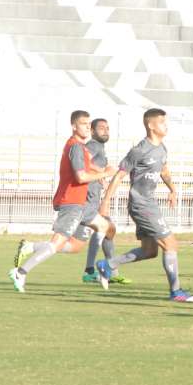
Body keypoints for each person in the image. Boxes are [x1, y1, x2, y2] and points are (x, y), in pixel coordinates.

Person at [96, 108, 193, 303]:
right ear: (151, 125)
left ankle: (107, 264)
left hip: (149, 203)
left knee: (149, 251)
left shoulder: (162, 148)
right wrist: (105, 202)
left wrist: (172, 189)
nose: (166, 125)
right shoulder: (140, 150)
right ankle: (176, 291)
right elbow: (119, 175)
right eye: (162, 122)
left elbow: (164, 170)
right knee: (170, 243)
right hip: (141, 204)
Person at [8, 110, 117, 293]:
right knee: (56, 244)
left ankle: (94, 269)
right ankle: (21, 271)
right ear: (74, 126)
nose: (87, 127)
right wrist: (105, 173)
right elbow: (81, 176)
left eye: (89, 124)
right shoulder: (75, 146)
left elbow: (87, 165)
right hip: (72, 202)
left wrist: (100, 175)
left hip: (81, 204)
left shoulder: (78, 147)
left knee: (101, 229)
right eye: (83, 124)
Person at [79, 118, 126, 285]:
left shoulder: (99, 147)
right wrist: (104, 172)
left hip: (92, 197)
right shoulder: (93, 145)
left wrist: (101, 178)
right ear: (92, 131)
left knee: (105, 231)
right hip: (87, 198)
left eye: (107, 127)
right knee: (106, 229)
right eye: (101, 128)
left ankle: (97, 271)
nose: (105, 130)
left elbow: (91, 166)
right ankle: (105, 271)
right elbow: (84, 163)